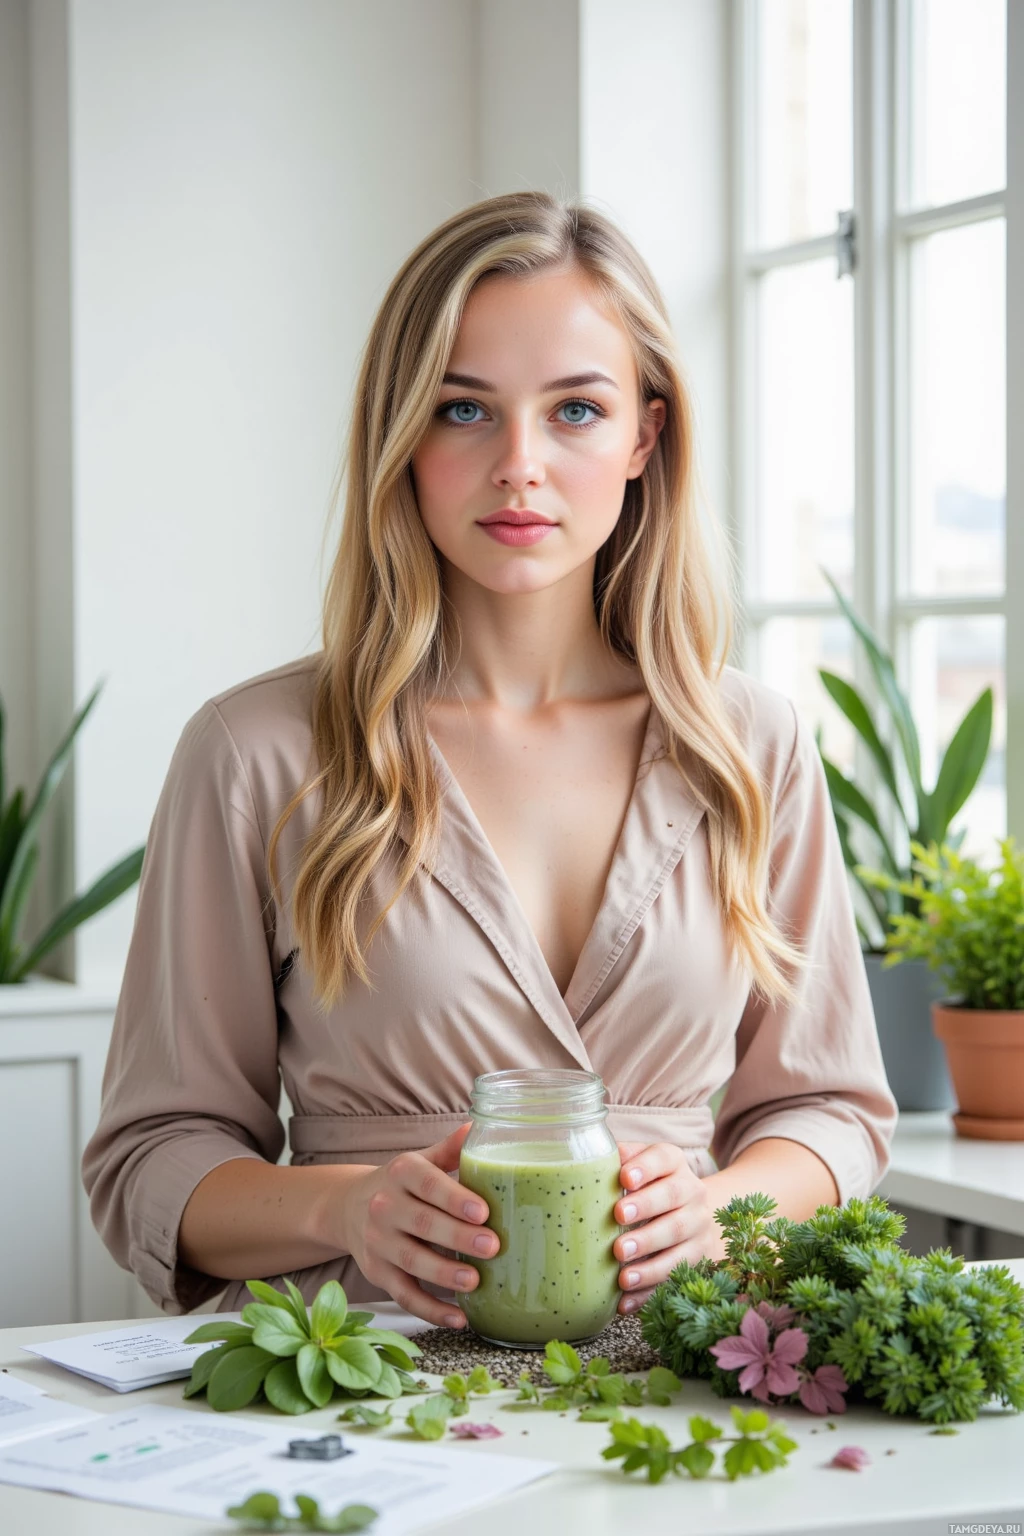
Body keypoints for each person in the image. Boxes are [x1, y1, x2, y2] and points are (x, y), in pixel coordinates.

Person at [81, 191, 898, 1329]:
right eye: (465, 411)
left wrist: (722, 1207)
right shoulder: (256, 753)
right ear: (403, 435)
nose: (520, 465)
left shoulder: (748, 745)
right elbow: (149, 1162)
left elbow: (830, 1111)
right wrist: (346, 1207)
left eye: (575, 409)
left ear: (644, 437)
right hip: (364, 1402)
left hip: (675, 1392)